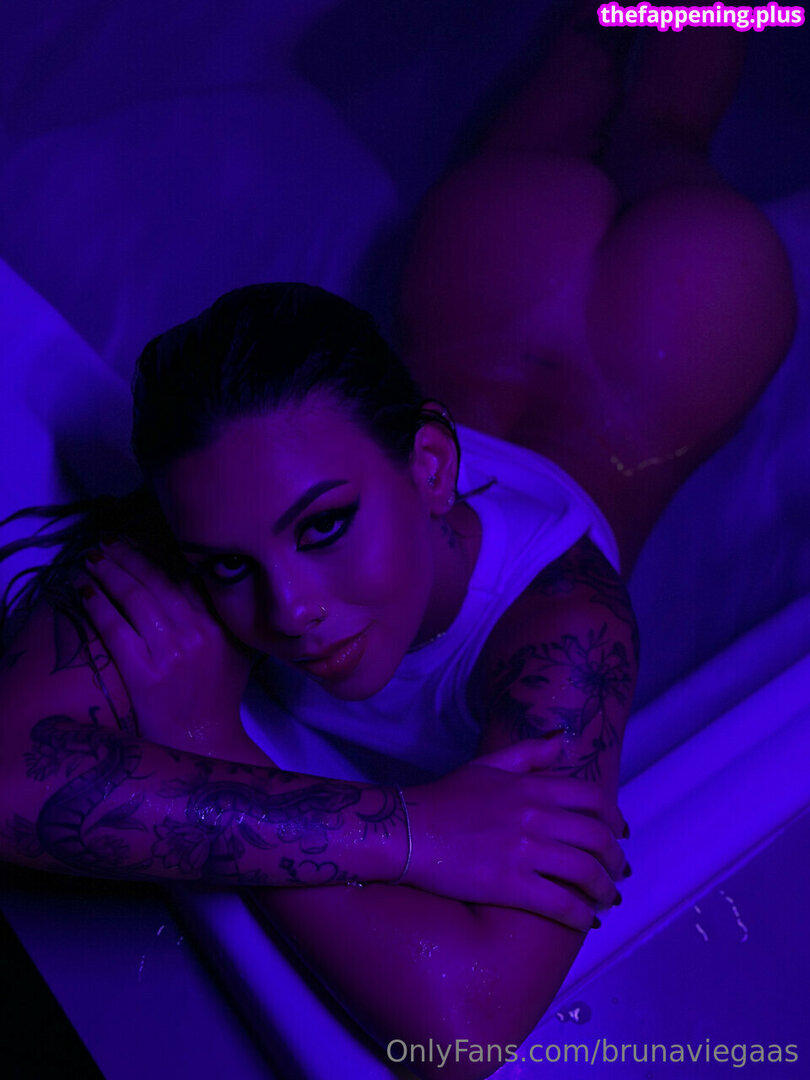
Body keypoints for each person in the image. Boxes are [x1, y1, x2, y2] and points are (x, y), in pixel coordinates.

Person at [0, 6, 795, 1078]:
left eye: (325, 526)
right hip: (486, 282)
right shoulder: (224, 506)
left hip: (673, 343)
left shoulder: (567, 633)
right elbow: (7, 780)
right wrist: (408, 828)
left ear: (428, 469)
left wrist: (216, 746)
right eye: (228, 567)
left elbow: (461, 1030)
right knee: (594, 61)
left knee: (665, 130)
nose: (289, 608)